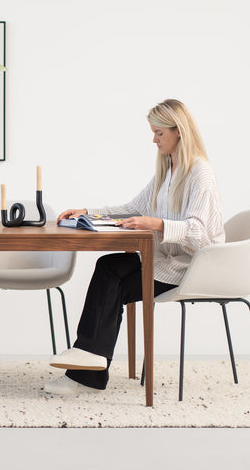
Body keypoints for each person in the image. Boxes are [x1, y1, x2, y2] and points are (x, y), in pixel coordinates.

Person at [48, 98, 225, 393]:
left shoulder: (199, 173)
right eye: (153, 132)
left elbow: (199, 234)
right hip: (166, 260)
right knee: (108, 267)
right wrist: (88, 212)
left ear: (178, 131)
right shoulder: (168, 170)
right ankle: (88, 368)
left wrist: (155, 224)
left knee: (112, 280)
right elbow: (133, 207)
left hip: (192, 268)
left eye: (159, 133)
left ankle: (85, 373)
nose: (153, 139)